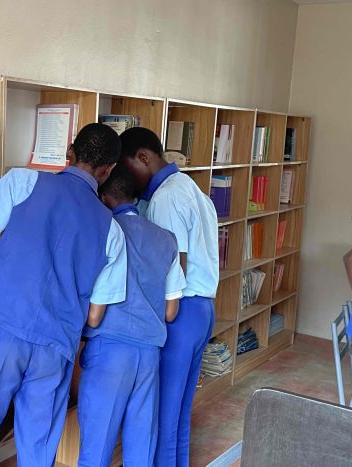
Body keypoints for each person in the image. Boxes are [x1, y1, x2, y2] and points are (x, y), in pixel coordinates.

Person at [0, 123, 128, 467]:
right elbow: (95, 314)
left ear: (69, 151)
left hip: (2, 327)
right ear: (108, 170)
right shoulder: (112, 229)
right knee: (37, 448)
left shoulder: (21, 181)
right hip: (56, 343)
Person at [120, 127, 219, 467]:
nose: (124, 177)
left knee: (162, 418)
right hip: (202, 310)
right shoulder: (188, 186)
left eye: (126, 165)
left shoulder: (165, 200)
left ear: (144, 158)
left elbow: (174, 268)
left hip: (179, 314)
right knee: (177, 415)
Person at [77, 167, 186, 467]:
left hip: (109, 352)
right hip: (150, 353)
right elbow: (171, 310)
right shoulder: (166, 239)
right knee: (140, 449)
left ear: (105, 198)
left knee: (97, 449)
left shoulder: (103, 232)